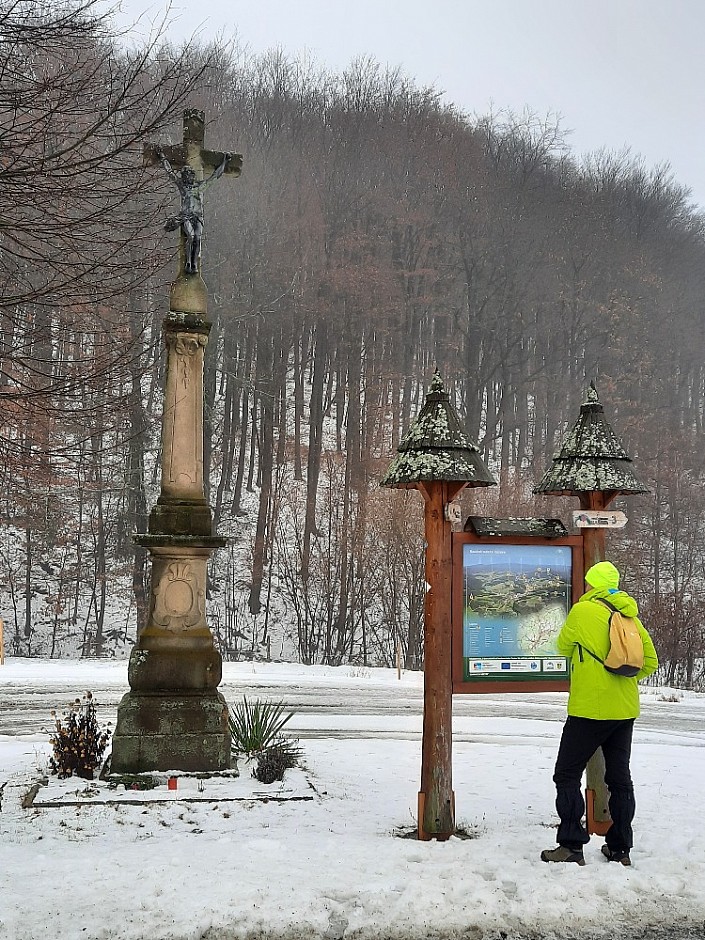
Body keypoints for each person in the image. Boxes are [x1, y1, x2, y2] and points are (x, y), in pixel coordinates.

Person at [541, 560, 658, 867]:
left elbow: (563, 646)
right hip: (624, 710)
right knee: (620, 779)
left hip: (589, 709)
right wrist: (619, 679)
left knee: (566, 774)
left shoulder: (582, 611)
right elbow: (649, 662)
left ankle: (570, 845)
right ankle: (620, 848)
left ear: (591, 584)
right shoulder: (630, 616)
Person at [158, 150, 231, 274]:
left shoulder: (200, 187)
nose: (187, 178)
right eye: (185, 176)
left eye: (189, 175)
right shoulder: (182, 187)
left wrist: (225, 161)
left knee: (197, 238)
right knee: (191, 237)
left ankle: (194, 263)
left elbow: (215, 176)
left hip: (198, 217)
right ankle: (188, 262)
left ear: (192, 176)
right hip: (186, 216)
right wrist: (162, 157)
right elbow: (170, 172)